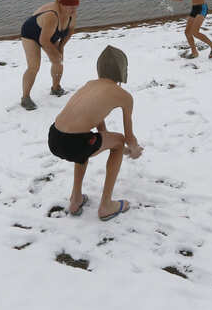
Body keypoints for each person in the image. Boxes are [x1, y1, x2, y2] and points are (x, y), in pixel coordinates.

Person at [48, 45, 144, 221]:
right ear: (123, 71)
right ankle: (106, 205)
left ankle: (75, 199)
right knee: (117, 140)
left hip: (54, 136)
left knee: (87, 143)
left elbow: (100, 128)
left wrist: (113, 145)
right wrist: (133, 149)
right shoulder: (124, 96)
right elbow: (128, 138)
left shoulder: (90, 85)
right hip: (74, 143)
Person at [20, 0, 79, 110]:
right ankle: (25, 98)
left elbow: (70, 30)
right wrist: (55, 53)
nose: (73, 8)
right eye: (69, 5)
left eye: (75, 4)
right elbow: (43, 40)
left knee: (58, 61)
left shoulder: (72, 13)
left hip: (49, 33)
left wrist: (61, 47)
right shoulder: (52, 15)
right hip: (32, 34)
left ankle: (56, 88)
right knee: (34, 66)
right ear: (59, 2)